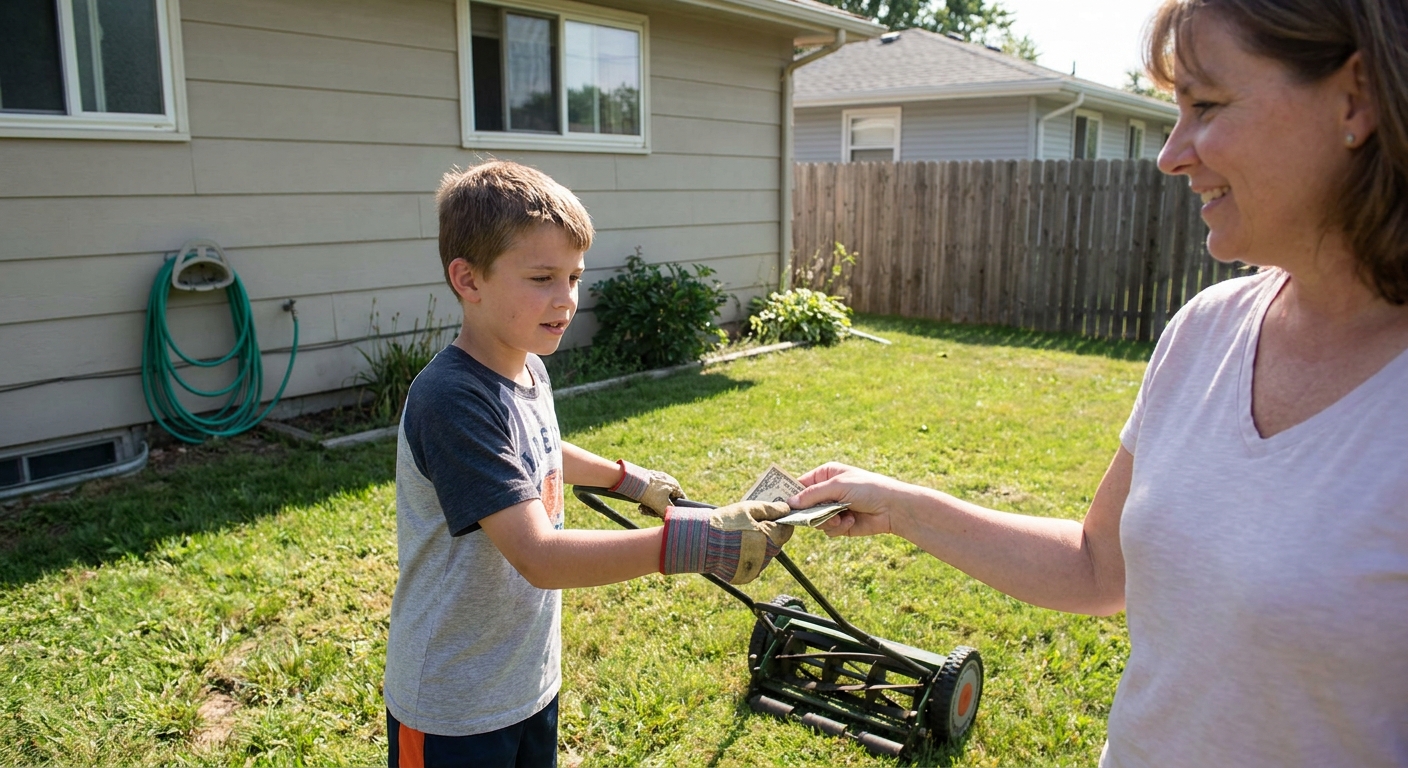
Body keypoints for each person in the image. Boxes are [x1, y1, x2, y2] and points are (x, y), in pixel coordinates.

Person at [789, 1, 1408, 765]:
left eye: (1207, 106)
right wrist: (901, 505)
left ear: (1357, 99)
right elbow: (1097, 565)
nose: (1171, 154)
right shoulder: (1205, 331)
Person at [383, 161, 794, 768]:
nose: (567, 300)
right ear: (468, 280)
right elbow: (539, 556)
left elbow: (539, 452)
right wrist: (692, 543)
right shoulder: (451, 400)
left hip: (524, 679)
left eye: (574, 276)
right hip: (455, 703)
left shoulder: (526, 365)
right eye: (543, 277)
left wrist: (632, 481)